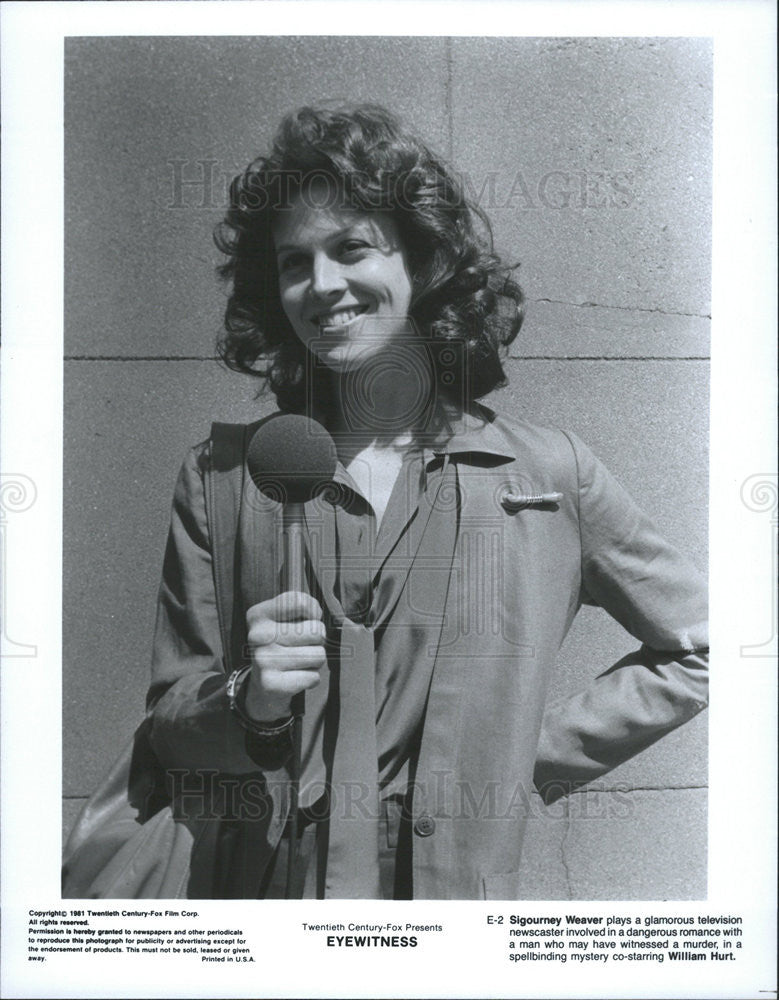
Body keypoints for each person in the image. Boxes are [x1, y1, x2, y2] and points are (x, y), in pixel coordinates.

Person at [144, 104, 708, 900]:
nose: (323, 285)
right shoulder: (221, 476)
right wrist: (250, 701)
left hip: (455, 910)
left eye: (350, 249)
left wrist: (524, 756)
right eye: (293, 263)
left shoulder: (548, 472)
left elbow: (706, 647)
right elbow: (171, 732)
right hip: (267, 907)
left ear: (421, 261)